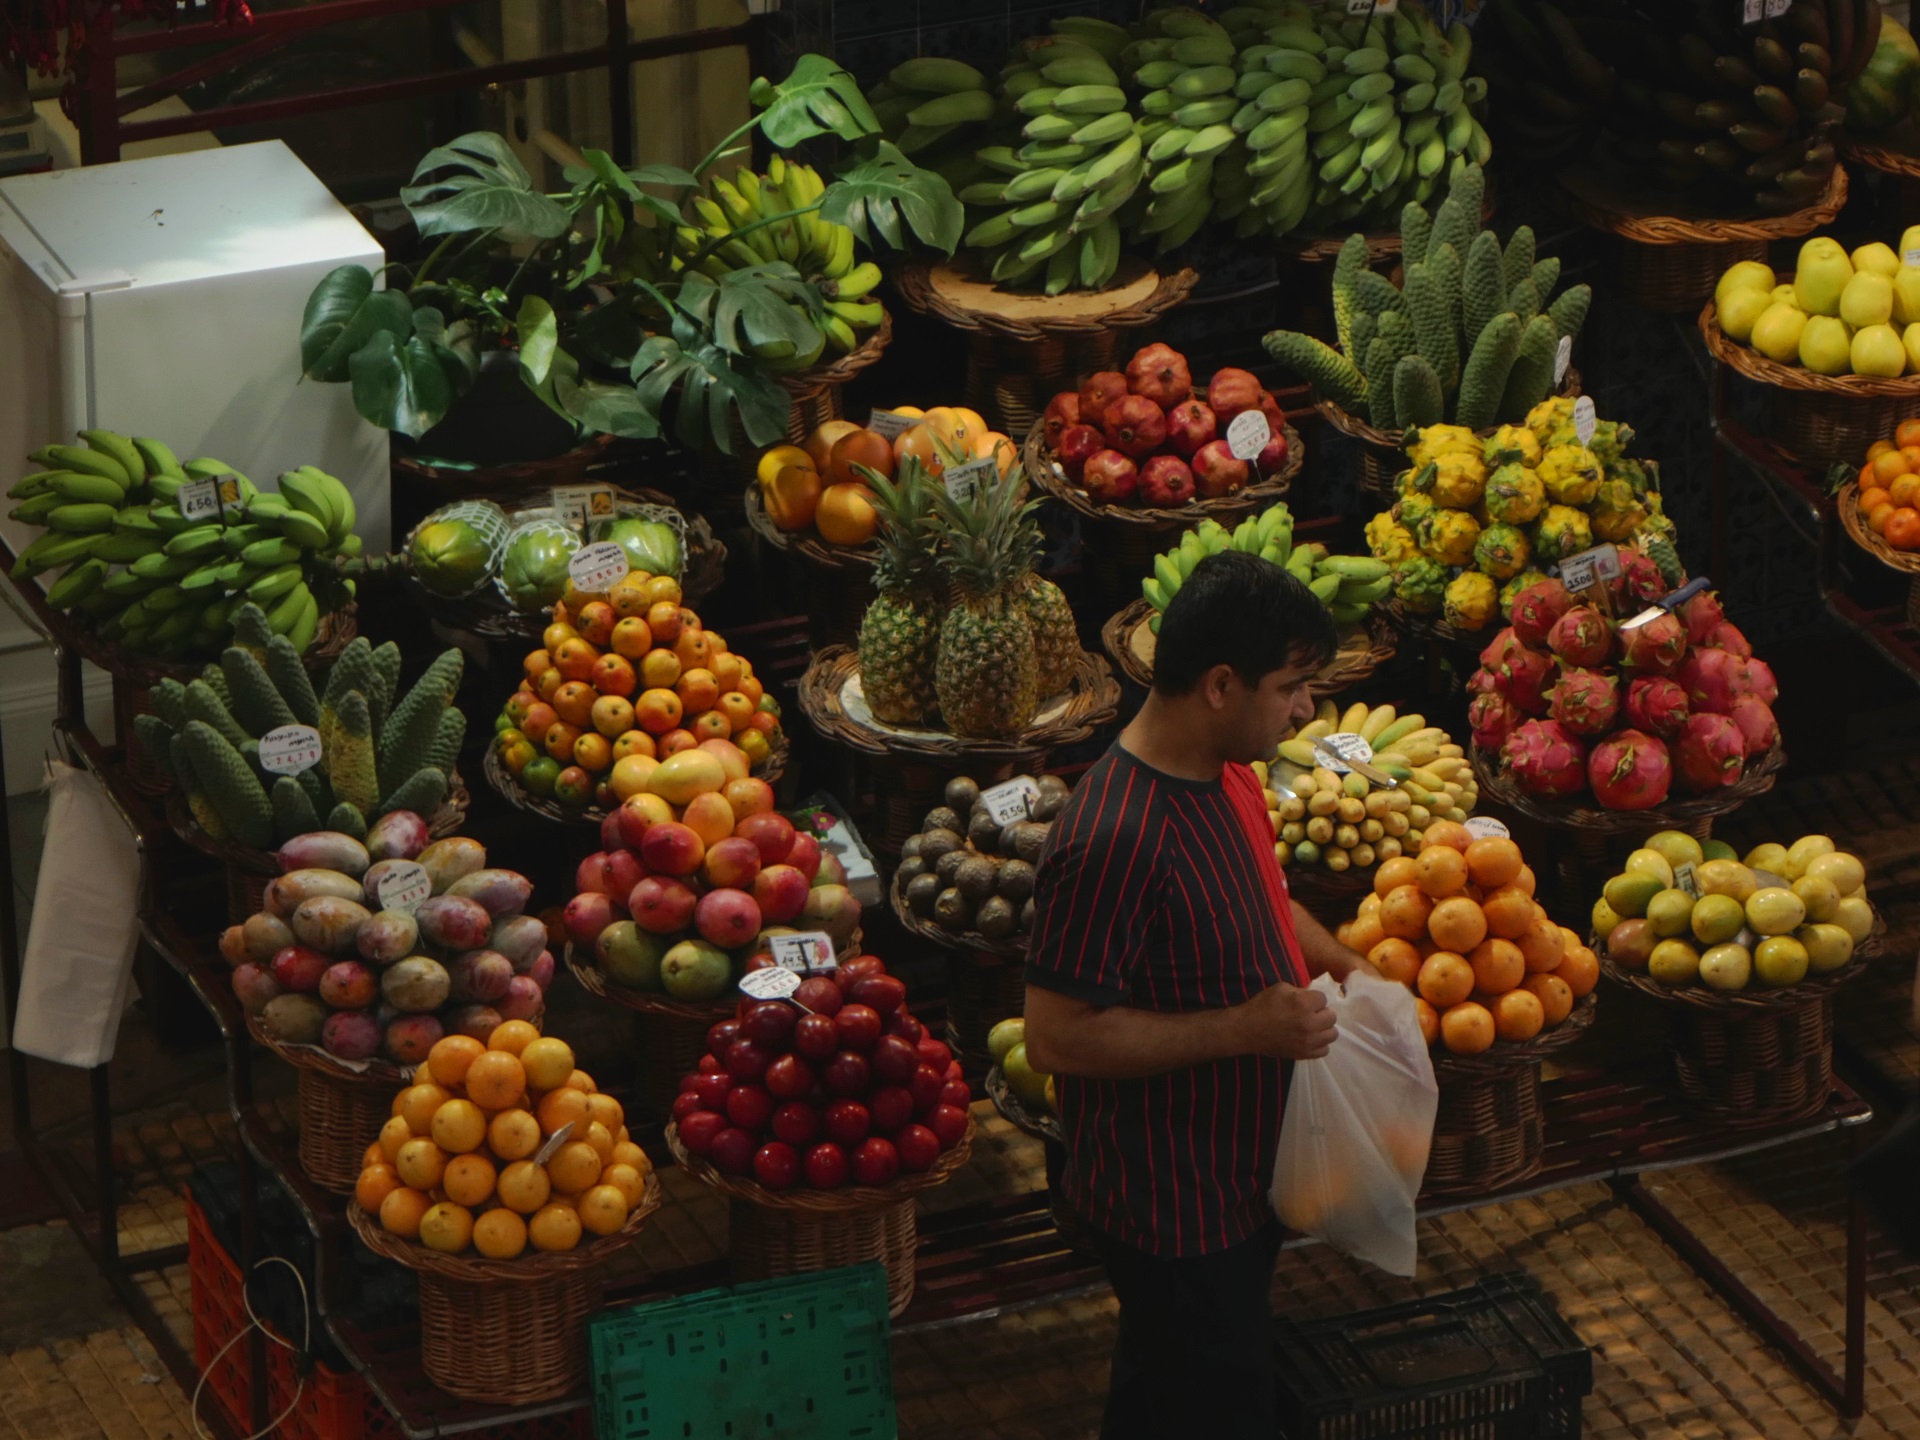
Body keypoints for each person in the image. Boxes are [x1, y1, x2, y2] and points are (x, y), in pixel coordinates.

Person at [1022, 551, 1372, 1440]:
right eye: (1291, 687)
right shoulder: (1112, 838)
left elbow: (1267, 896)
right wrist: (1246, 1029)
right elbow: (1057, 1037)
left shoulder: (1232, 773)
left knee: (1160, 1392)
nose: (1307, 709)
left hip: (1243, 1173)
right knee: (1219, 1402)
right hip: (1174, 1205)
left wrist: (1348, 966)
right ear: (1221, 685)